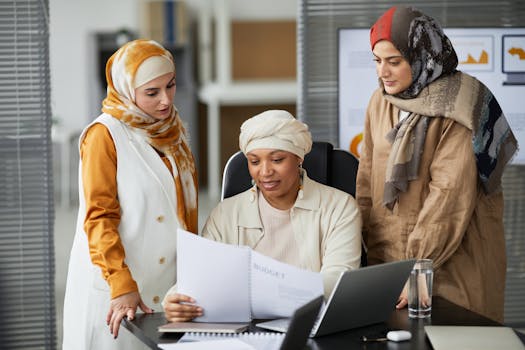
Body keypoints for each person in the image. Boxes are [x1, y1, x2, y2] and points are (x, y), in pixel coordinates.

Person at [356, 6, 518, 322]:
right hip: (391, 264)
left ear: (422, 57)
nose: (383, 72)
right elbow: (367, 181)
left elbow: (449, 197)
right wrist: (370, 258)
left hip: (452, 265)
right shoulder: (380, 101)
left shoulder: (459, 104)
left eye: (394, 61)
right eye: (377, 61)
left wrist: (416, 267)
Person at [163, 110, 362, 322]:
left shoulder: (340, 207)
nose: (265, 172)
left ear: (298, 159)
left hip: (310, 326)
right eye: (254, 162)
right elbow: (204, 276)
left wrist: (266, 295)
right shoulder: (225, 214)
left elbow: (337, 281)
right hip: (244, 331)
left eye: (277, 159)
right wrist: (176, 298)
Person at [62, 39, 198, 349]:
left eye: (171, 86)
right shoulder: (104, 135)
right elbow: (99, 217)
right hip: (115, 286)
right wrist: (121, 284)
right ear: (126, 89)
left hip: (165, 285)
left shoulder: (172, 131)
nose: (165, 101)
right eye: (152, 92)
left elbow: (182, 212)